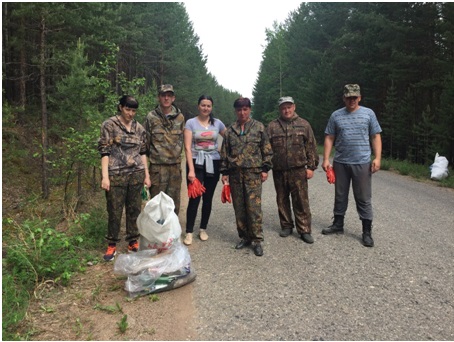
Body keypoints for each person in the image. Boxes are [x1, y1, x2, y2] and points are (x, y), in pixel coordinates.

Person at [322, 84, 382, 247]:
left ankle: (367, 231)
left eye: (354, 97)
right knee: (340, 195)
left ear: (360, 98)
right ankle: (338, 224)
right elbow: (329, 137)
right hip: (341, 162)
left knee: (363, 197)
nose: (351, 100)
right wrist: (326, 159)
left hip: (362, 162)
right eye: (348, 97)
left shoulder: (368, 114)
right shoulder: (336, 116)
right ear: (344, 98)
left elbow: (375, 136)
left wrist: (377, 157)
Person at [98, 95, 151, 261]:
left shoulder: (139, 128)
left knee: (134, 209)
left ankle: (132, 241)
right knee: (114, 209)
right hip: (116, 174)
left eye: (134, 110)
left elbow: (142, 153)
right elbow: (104, 152)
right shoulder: (109, 125)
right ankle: (112, 244)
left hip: (136, 174)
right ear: (121, 107)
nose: (130, 113)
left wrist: (146, 176)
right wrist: (105, 177)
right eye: (128, 109)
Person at [220, 97, 273, 256]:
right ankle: (244, 237)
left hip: (253, 174)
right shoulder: (230, 131)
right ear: (235, 111)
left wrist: (265, 168)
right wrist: (224, 173)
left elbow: (267, 150)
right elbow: (225, 153)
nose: (242, 113)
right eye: (239, 110)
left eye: (245, 109)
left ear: (249, 109)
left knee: (254, 208)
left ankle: (257, 240)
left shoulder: (259, 127)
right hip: (236, 174)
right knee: (239, 207)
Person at [267, 96, 319, 244]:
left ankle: (304, 230)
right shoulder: (272, 127)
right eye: (283, 107)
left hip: (298, 170)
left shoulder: (304, 125)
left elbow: (311, 146)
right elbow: (266, 149)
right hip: (279, 170)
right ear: (280, 109)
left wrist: (311, 167)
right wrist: (265, 166)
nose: (286, 110)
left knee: (301, 201)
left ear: (294, 107)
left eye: (289, 107)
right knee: (282, 199)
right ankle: (286, 225)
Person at [183, 95, 227, 245]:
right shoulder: (190, 123)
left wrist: (220, 150)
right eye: (203, 105)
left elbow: (229, 137)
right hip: (196, 163)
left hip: (213, 163)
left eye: (208, 106)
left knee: (208, 198)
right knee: (194, 198)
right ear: (198, 106)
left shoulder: (218, 123)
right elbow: (188, 148)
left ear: (211, 107)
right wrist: (191, 171)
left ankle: (203, 228)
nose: (206, 108)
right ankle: (189, 232)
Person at [143, 84, 185, 215]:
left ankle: (171, 232)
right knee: (156, 203)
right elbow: (145, 144)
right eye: (163, 95)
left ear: (173, 98)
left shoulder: (180, 118)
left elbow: (183, 140)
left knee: (173, 203)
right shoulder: (151, 117)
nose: (166, 98)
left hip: (174, 167)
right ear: (159, 98)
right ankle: (156, 233)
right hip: (157, 168)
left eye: (169, 95)